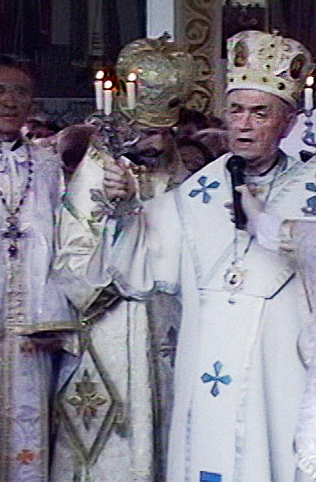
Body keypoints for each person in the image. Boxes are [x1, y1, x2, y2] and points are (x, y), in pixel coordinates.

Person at [85, 30, 316, 481]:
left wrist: (283, 231)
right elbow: (143, 255)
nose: (244, 125)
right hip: (204, 360)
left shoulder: (312, 188)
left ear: (287, 124)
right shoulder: (199, 188)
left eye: (260, 113)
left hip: (282, 369)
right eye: (236, 111)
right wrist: (125, 207)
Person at [51, 36, 194, 481]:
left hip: (169, 331)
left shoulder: (180, 174)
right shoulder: (99, 167)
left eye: (163, 133)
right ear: (127, 122)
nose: (153, 142)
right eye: (145, 132)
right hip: (110, 333)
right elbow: (72, 262)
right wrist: (118, 223)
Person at [0, 54, 80, 482]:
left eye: (21, 91)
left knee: (34, 440)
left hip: (35, 328)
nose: (10, 101)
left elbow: (72, 238)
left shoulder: (49, 165)